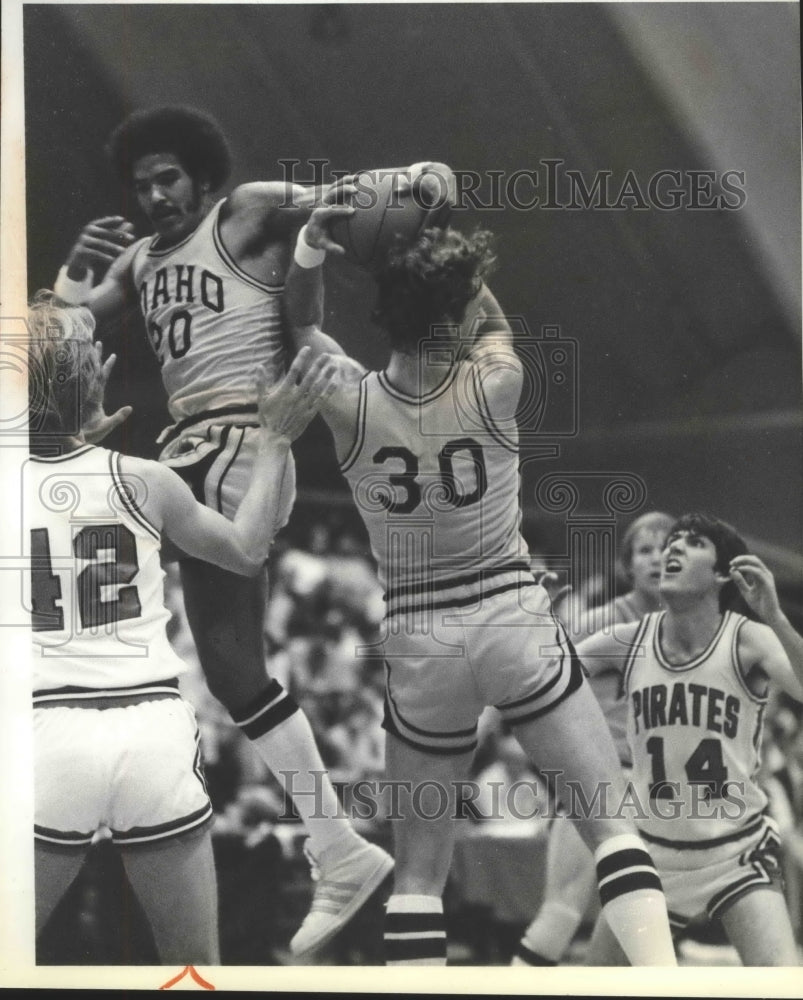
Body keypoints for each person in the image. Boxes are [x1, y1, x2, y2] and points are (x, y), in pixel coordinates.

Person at [49, 106, 459, 954]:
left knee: (221, 658)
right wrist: (67, 273)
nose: (154, 194)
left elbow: (346, 201)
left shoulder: (244, 210)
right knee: (232, 674)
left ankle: (330, 845)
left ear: (200, 173)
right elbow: (70, 329)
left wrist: (421, 183)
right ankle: (336, 847)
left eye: (167, 177)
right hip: (183, 446)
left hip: (249, 432)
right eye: (141, 183)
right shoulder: (137, 258)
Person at [281, 204, 678, 966]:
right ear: (455, 314)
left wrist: (313, 248)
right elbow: (484, 311)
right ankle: (666, 983)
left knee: (421, 876)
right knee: (612, 829)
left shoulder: (349, 401)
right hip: (507, 612)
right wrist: (443, 246)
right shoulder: (497, 381)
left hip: (420, 637)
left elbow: (296, 326)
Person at [25, 293, 338, 964]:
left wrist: (63, 429)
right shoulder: (147, 480)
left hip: (46, 734)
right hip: (151, 732)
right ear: (92, 378)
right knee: (193, 969)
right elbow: (249, 548)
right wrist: (277, 439)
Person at [579, 513, 803, 966]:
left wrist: (776, 617)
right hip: (651, 854)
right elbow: (542, 679)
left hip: (734, 851)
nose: (672, 549)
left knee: (782, 985)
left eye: (692, 542)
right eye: (672, 541)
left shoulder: (749, 640)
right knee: (592, 986)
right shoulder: (628, 639)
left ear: (723, 574)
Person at [513, 510, 675, 965]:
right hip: (603, 780)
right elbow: (543, 676)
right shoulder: (603, 621)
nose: (658, 559)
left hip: (664, 795)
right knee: (561, 913)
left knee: (635, 932)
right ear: (628, 565)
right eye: (646, 550)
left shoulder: (693, 634)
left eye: (667, 549)